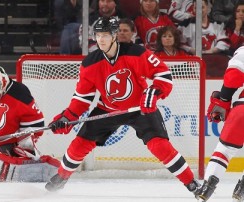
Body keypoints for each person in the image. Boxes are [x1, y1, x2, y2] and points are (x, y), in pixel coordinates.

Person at [45, 16, 201, 198]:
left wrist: (154, 92)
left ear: (114, 36)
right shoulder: (90, 63)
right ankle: (62, 177)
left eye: (105, 35)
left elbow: (163, 74)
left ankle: (192, 184)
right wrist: (67, 117)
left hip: (140, 109)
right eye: (98, 35)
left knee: (160, 147)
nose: (101, 39)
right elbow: (82, 98)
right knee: (78, 146)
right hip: (108, 109)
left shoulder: (136, 53)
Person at [0, 64, 60, 182]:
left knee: (19, 160)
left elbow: (36, 125)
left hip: (12, 145)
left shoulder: (19, 92)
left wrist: (21, 144)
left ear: (4, 82)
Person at [198, 46, 244, 201]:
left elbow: (234, 77)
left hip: (242, 110)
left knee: (225, 150)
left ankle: (208, 185)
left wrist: (223, 99)